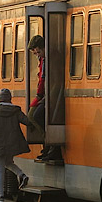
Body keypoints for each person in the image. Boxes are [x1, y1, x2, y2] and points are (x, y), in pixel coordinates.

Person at [0, 88, 31, 202]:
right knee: (8, 163)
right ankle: (22, 175)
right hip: (12, 143)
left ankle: (0, 196)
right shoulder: (15, 110)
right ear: (10, 98)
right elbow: (27, 121)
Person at [27, 35, 62, 164]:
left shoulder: (52, 58)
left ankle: (51, 145)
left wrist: (40, 96)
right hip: (46, 93)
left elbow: (52, 79)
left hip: (51, 92)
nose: (37, 55)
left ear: (44, 48)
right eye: (35, 53)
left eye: (38, 51)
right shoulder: (44, 59)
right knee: (34, 116)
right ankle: (47, 145)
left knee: (36, 116)